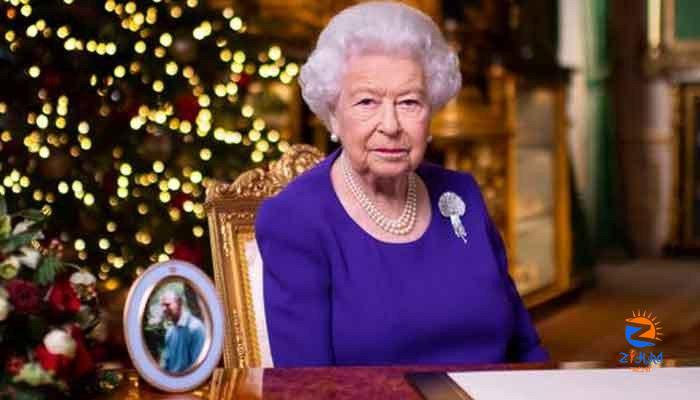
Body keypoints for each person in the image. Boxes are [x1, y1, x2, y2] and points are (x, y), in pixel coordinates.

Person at [255, 1, 549, 367]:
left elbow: (525, 347)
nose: (391, 125)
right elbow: (307, 386)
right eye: (367, 101)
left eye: (409, 102)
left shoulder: (462, 195)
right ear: (333, 114)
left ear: (431, 112)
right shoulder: (295, 219)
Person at [159, 289, 206, 373]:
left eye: (167, 305)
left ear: (179, 303)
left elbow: (199, 368)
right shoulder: (170, 332)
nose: (164, 309)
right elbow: (166, 362)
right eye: (162, 305)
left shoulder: (195, 328)